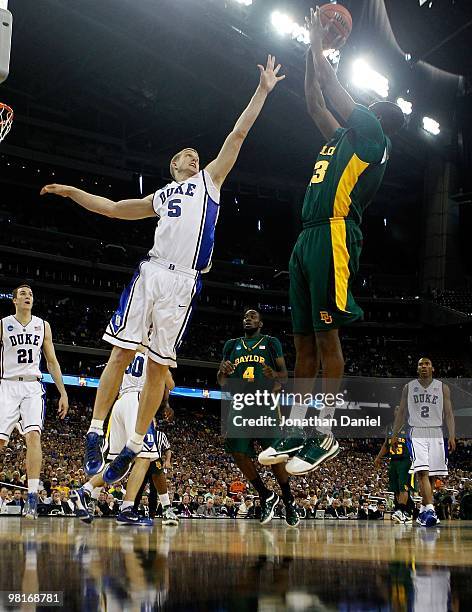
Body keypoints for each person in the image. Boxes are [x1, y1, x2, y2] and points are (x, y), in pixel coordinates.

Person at [40, 55, 285, 485]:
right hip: (151, 272)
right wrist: (69, 191)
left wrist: (262, 90)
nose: (193, 156)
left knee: (157, 366)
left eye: (195, 154)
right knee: (120, 352)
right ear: (173, 167)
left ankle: (134, 444)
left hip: (183, 282)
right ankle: (95, 433)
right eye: (185, 155)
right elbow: (114, 209)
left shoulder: (209, 181)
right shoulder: (160, 196)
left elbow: (239, 132)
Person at [261, 7, 405, 475]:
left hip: (336, 233)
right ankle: (298, 429)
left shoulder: (372, 139)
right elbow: (313, 99)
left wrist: (321, 38)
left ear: (380, 120)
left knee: (327, 338)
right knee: (302, 343)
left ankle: (324, 431)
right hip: (306, 239)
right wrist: (310, 47)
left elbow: (330, 84)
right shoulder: (340, 137)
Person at [72, 349, 174, 526]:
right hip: (138, 401)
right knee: (143, 458)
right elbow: (170, 384)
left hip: (119, 403)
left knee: (117, 463)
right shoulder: (156, 350)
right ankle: (125, 509)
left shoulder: (127, 349)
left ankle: (85, 492)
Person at [218, 309, 299, 527]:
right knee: (237, 451)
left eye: (253, 317)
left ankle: (288, 499)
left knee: (274, 456)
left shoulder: (271, 343)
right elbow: (222, 381)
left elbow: (284, 377)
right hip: (240, 404)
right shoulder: (231, 345)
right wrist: (222, 370)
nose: (248, 319)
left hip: (265, 403)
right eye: (245, 316)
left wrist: (275, 375)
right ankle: (265, 495)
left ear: (260, 323)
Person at [0, 285, 69, 519]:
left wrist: (63, 392)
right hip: (7, 384)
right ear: (14, 300)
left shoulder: (43, 325)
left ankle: (31, 498)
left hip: (32, 386)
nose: (28, 296)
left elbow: (52, 361)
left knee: (34, 436)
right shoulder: (3, 324)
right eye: (22, 294)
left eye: (30, 294)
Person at [392, 357, 455, 527]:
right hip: (417, 431)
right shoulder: (408, 387)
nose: (424, 366)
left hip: (437, 431)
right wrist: (394, 434)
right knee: (422, 472)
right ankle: (430, 509)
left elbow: (449, 413)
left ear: (432, 368)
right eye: (421, 364)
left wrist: (452, 435)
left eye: (427, 364)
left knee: (432, 476)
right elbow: (401, 412)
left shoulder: (442, 387)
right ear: (417, 368)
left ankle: (423, 510)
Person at [375, 406, 413, 524]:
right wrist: (378, 457)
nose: (398, 411)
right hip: (393, 460)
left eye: (400, 409)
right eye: (396, 409)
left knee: (403, 487)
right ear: (394, 412)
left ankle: (402, 511)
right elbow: (386, 444)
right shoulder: (389, 427)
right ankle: (402, 510)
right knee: (395, 489)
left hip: (406, 460)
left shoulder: (409, 426)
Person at [133, 427, 179, 526]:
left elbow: (167, 449)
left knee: (154, 491)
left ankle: (152, 514)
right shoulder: (140, 432)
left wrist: (167, 461)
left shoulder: (161, 435)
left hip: (155, 462)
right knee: (138, 489)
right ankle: (133, 511)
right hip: (141, 462)